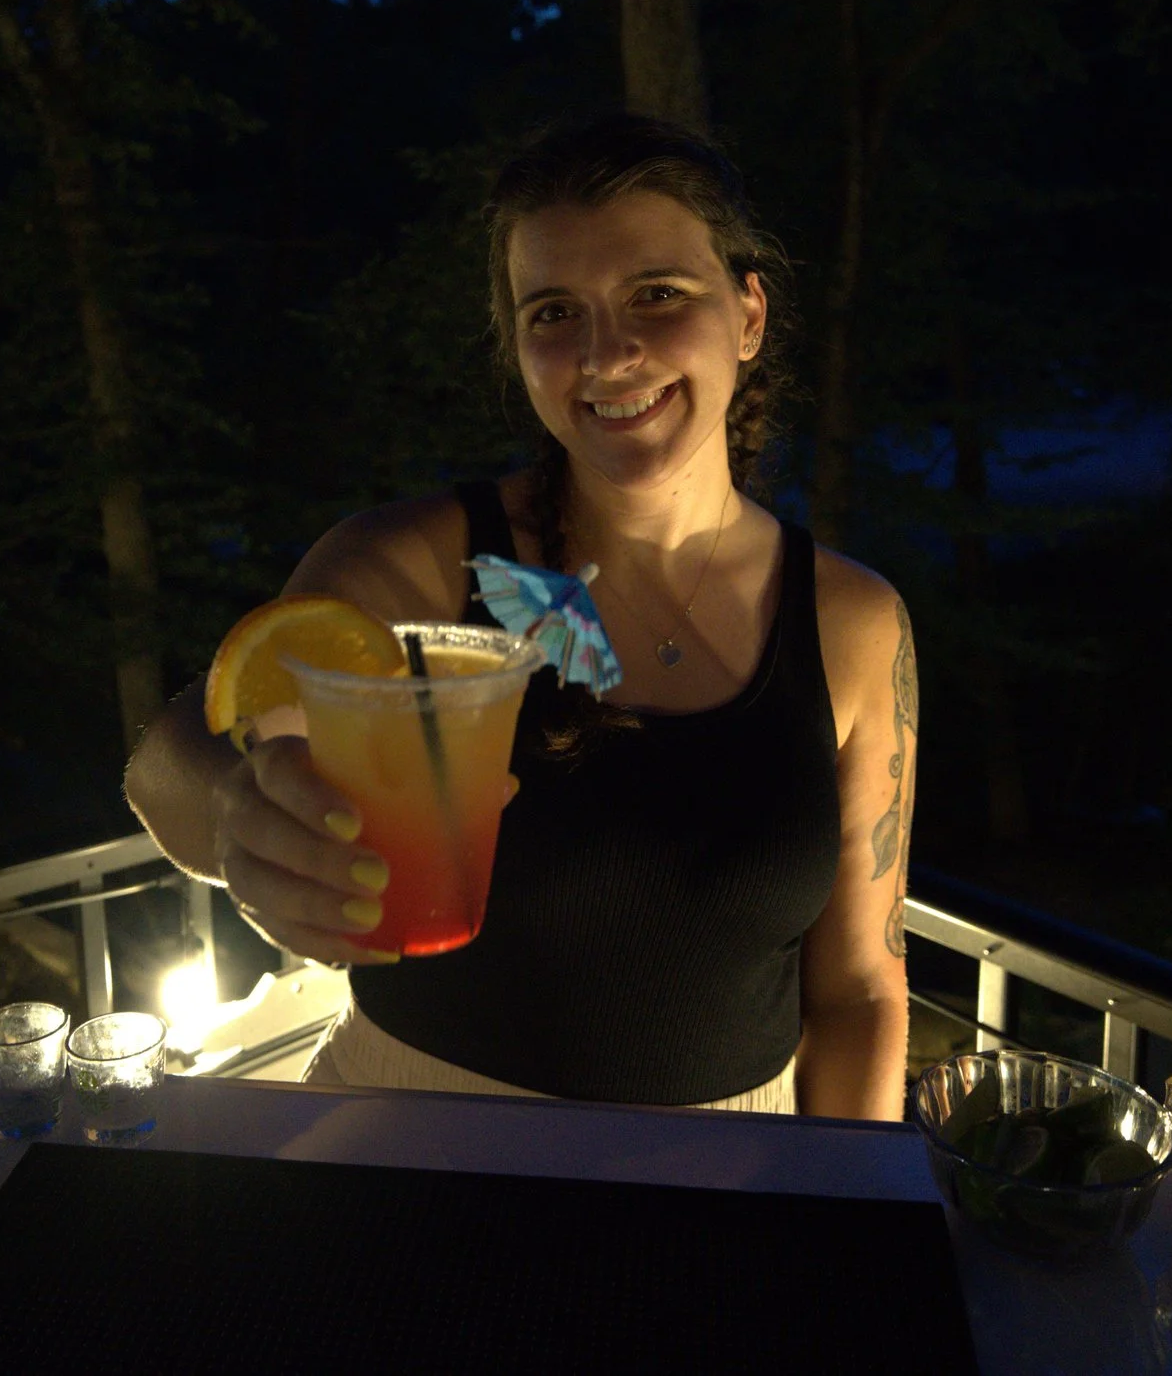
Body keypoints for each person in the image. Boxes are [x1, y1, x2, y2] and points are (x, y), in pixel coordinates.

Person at [124, 114, 915, 1120]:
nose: (607, 351)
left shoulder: (850, 623)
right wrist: (241, 806)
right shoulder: (420, 565)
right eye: (553, 313)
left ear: (748, 316)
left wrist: (851, 1207)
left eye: (657, 296)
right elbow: (171, 758)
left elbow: (855, 993)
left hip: (735, 1181)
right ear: (518, 351)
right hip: (412, 1144)